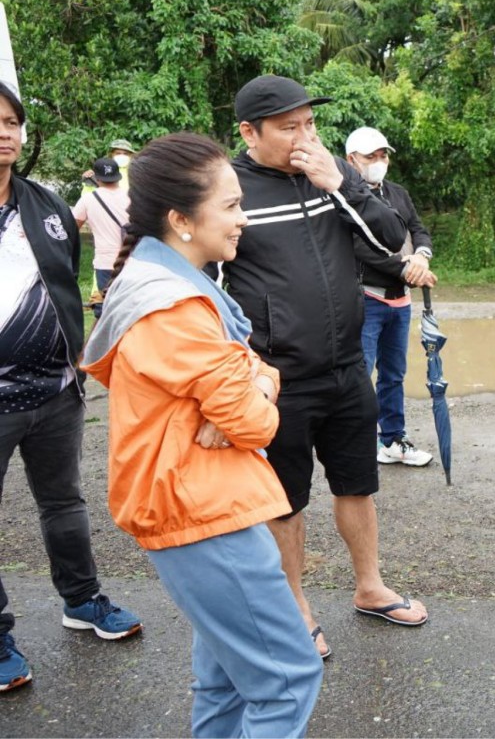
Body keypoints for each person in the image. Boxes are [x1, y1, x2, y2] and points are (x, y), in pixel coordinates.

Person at [81, 133, 323, 736]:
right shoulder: (175, 307)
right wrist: (257, 390)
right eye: (232, 206)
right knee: (289, 678)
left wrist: (254, 383)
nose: (243, 220)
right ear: (181, 220)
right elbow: (257, 419)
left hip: (205, 502)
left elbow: (253, 374)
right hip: (200, 510)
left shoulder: (177, 285)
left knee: (226, 681)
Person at [223, 75, 425, 662]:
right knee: (286, 501)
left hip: (345, 366)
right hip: (278, 380)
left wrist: (342, 184)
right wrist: (240, 371)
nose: (304, 137)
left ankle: (370, 585)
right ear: (249, 132)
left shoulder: (332, 176)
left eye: (309, 124)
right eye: (289, 128)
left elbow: (392, 243)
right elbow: (209, 287)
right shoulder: (230, 189)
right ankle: (296, 609)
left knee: (358, 484)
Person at [0, 82, 142, 695]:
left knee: (65, 504)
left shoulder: (47, 204)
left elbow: (66, 285)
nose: (4, 131)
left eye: (11, 121)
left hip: (55, 391)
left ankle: (82, 601)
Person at [344, 126, 437, 467]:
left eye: (383, 155)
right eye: (371, 156)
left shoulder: (398, 193)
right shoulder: (345, 198)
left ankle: (393, 440)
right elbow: (360, 246)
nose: (379, 162)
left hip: (401, 302)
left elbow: (418, 229)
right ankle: (356, 446)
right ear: (351, 160)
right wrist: (404, 266)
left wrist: (421, 257)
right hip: (367, 298)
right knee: (361, 374)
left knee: (394, 374)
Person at [72, 157, 130, 318]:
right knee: (131, 309)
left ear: (97, 178)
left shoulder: (88, 200)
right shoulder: (133, 196)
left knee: (108, 312)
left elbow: (69, 228)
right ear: (119, 175)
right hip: (135, 260)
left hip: (106, 263)